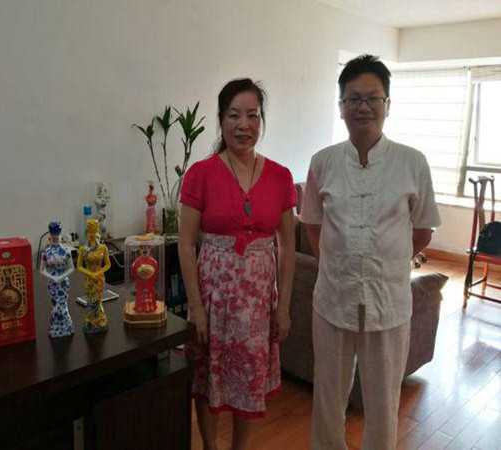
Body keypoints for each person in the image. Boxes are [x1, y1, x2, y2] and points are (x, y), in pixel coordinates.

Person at [301, 54, 441, 450]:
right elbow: (313, 223)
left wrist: (387, 262)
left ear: (387, 104)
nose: (363, 107)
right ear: (341, 106)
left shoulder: (413, 163)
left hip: (388, 303)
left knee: (383, 403)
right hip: (332, 300)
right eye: (354, 98)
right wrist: (334, 265)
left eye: (372, 98)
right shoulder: (323, 162)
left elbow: (423, 230)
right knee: (328, 399)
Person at [178, 78, 296, 450]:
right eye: (234, 115)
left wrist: (283, 307)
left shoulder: (280, 176)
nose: (244, 124)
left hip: (258, 304)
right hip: (212, 299)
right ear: (221, 119)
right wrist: (196, 307)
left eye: (252, 115)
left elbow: (288, 245)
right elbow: (186, 243)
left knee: (249, 379)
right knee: (207, 378)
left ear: (261, 120)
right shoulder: (200, 174)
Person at [40, 221, 75, 338]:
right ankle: (56, 328)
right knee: (55, 306)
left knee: (62, 305)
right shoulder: (46, 252)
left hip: (63, 283)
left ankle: (67, 327)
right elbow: (42, 270)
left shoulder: (66, 250)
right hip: (52, 284)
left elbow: (71, 268)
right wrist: (52, 277)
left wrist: (61, 277)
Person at [77, 219, 111, 334]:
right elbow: (79, 266)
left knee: (98, 299)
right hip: (89, 279)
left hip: (99, 279)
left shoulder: (103, 248)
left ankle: (99, 319)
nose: (92, 234)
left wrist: (98, 272)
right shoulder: (83, 249)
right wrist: (90, 273)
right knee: (91, 299)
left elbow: (108, 265)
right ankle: (92, 318)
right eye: (90, 229)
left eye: (94, 229)